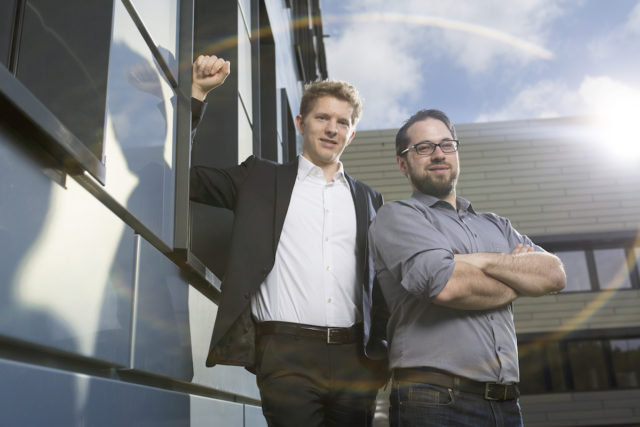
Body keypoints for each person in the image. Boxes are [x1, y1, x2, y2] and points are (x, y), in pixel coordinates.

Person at [189, 55, 388, 427]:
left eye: (342, 122)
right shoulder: (259, 179)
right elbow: (187, 177)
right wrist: (197, 94)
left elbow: (380, 281)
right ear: (301, 123)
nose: (332, 128)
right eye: (322, 118)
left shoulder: (369, 199)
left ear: (352, 133)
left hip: (355, 361)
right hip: (285, 355)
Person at [368, 109, 566, 427]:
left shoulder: (497, 225)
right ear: (403, 163)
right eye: (424, 147)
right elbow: (447, 285)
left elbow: (554, 274)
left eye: (447, 144)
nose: (437, 154)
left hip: (505, 404)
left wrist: (479, 261)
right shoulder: (398, 216)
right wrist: (516, 272)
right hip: (434, 400)